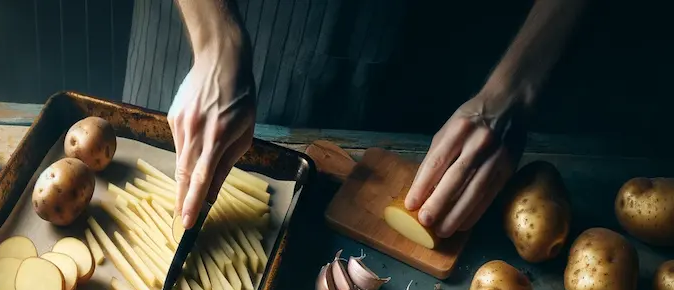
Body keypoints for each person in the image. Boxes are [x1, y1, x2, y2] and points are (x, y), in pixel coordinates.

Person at [123, 0, 590, 234]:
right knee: (175, 169)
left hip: (398, 34)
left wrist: (518, 83)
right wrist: (213, 35)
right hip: (200, 27)